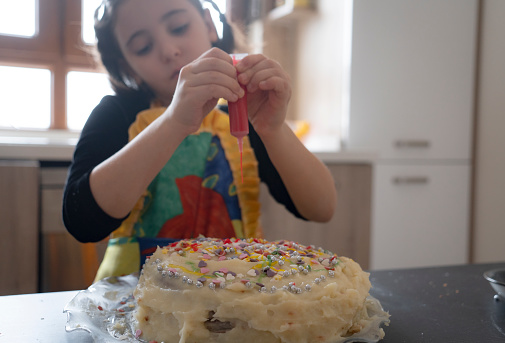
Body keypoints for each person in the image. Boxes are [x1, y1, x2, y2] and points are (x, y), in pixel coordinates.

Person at [62, 0, 337, 281]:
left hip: (233, 300)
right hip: (135, 307)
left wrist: (274, 129)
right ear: (126, 65)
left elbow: (322, 208)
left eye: (179, 27)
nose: (169, 50)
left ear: (208, 25)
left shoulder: (242, 116)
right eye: (143, 46)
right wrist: (175, 121)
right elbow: (82, 222)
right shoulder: (116, 115)